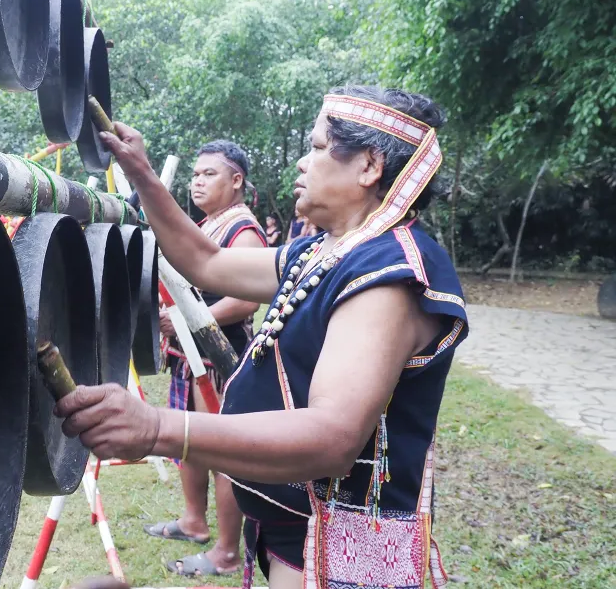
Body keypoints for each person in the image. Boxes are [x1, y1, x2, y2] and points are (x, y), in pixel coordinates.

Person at [55, 85, 468, 589]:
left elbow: (333, 438)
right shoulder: (325, 252)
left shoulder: (388, 274)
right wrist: (141, 174)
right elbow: (205, 261)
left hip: (340, 546)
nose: (301, 162)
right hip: (295, 526)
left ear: (368, 166)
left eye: (316, 148)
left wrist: (159, 428)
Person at [150, 139, 267, 578]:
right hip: (189, 354)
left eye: (209, 174)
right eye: (195, 174)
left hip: (221, 356)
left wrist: (186, 319)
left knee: (221, 451)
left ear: (236, 181)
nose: (197, 182)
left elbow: (245, 301)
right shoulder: (211, 224)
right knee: (191, 442)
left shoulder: (243, 231)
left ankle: (225, 553)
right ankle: (193, 522)